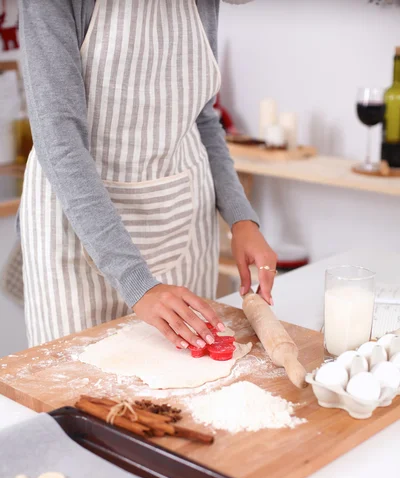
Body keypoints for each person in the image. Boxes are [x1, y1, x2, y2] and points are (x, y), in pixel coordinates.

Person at [18, 0, 277, 350]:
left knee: (185, 393)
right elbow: (59, 140)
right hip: (77, 232)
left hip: (182, 222)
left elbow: (201, 118)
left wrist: (241, 218)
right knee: (77, 395)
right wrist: (138, 282)